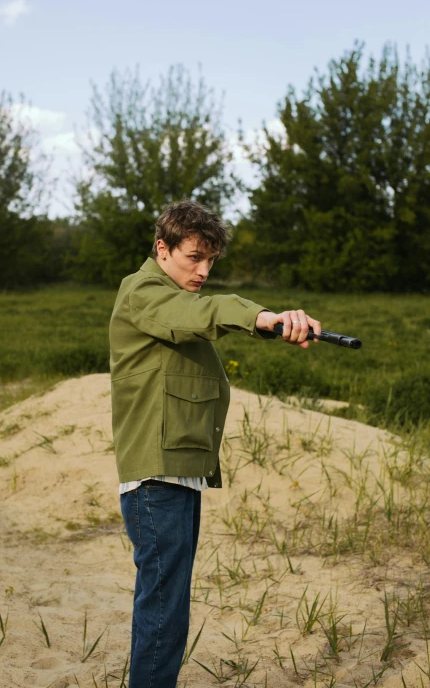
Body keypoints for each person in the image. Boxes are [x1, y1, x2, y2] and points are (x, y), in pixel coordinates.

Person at [109, 200, 321, 688]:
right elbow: (199, 314)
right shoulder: (144, 291)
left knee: (169, 607)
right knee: (163, 611)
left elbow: (201, 313)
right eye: (194, 258)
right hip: (155, 477)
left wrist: (268, 325)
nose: (203, 271)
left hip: (177, 474)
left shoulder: (172, 295)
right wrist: (265, 316)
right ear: (162, 249)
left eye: (211, 262)